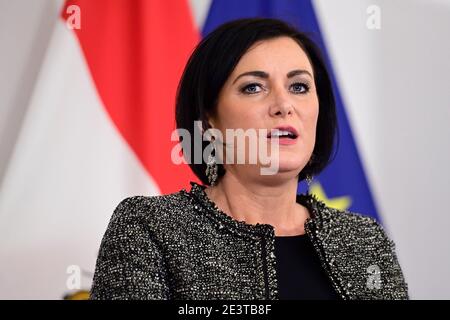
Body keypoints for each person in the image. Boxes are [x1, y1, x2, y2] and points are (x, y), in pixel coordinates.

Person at [90, 18, 408, 300]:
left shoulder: (365, 239)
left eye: (299, 86)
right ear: (209, 118)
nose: (284, 105)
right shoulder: (150, 227)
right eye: (253, 87)